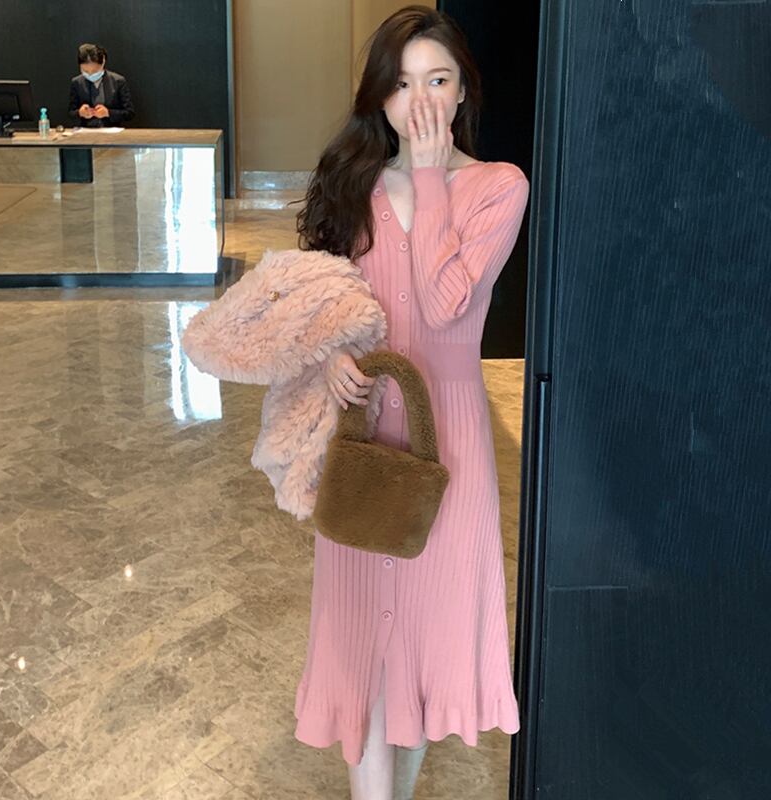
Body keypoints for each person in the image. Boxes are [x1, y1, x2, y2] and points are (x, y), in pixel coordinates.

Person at [292, 6, 530, 800]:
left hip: (447, 445)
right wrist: (332, 357)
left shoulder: (499, 187)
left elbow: (445, 307)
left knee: (425, 643)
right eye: (402, 84)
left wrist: (429, 176)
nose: (420, 101)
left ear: (463, 92)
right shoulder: (352, 185)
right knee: (362, 641)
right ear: (380, 96)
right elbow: (326, 302)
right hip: (364, 443)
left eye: (438, 81)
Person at [68, 43, 135, 127]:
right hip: (85, 131)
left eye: (95, 71)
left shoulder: (118, 81)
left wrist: (108, 113)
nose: (90, 74)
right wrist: (80, 113)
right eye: (85, 71)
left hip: (111, 130)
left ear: (103, 62)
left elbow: (129, 113)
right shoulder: (77, 82)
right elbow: (71, 112)